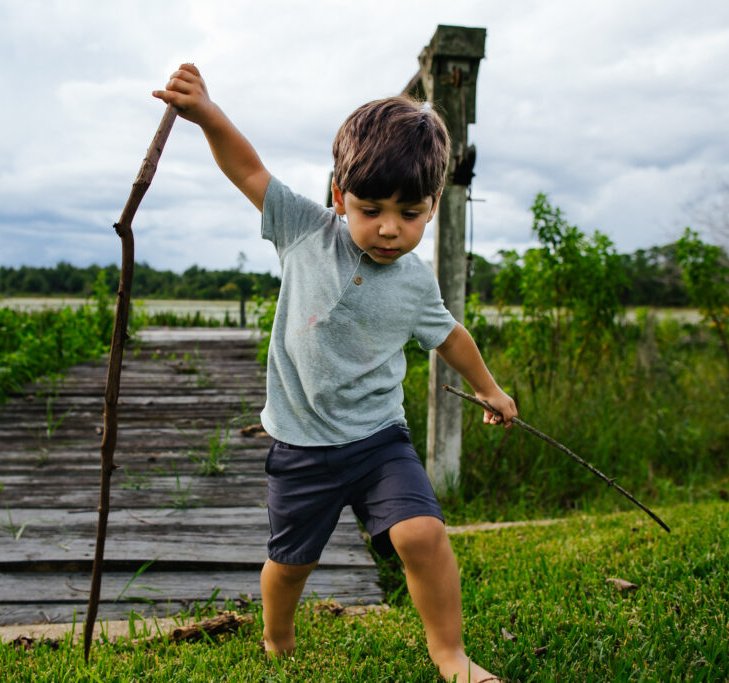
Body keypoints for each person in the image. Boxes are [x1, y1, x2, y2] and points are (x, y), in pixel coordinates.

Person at [154, 63, 517, 683]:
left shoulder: (414, 281)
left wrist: (489, 387)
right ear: (337, 195)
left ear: (432, 208)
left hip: (379, 440)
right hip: (300, 444)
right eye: (369, 208)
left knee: (421, 535)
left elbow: (451, 336)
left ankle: (451, 656)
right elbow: (247, 168)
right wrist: (208, 113)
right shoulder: (303, 232)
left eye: (409, 213)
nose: (387, 228)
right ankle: (277, 637)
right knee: (291, 563)